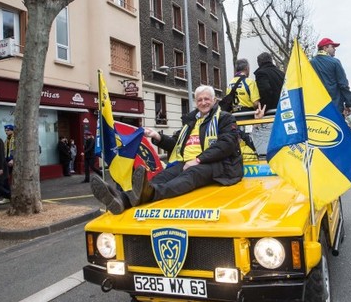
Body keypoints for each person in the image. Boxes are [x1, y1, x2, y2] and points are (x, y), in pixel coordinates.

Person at [91, 85, 243, 215]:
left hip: (219, 165)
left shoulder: (225, 118)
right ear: (196, 103)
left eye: (206, 99)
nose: (203, 102)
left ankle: (150, 194)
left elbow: (226, 144)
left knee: (191, 174)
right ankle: (121, 199)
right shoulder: (191, 122)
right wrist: (157, 136)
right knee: (161, 177)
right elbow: (175, 143)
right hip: (186, 162)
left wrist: (198, 159)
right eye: (200, 100)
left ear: (214, 100)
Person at [310, 37, 351, 116]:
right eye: (332, 47)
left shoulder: (310, 63)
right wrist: (348, 104)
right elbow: (343, 84)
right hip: (334, 105)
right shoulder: (335, 62)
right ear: (325, 48)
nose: (335, 49)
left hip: (316, 108)